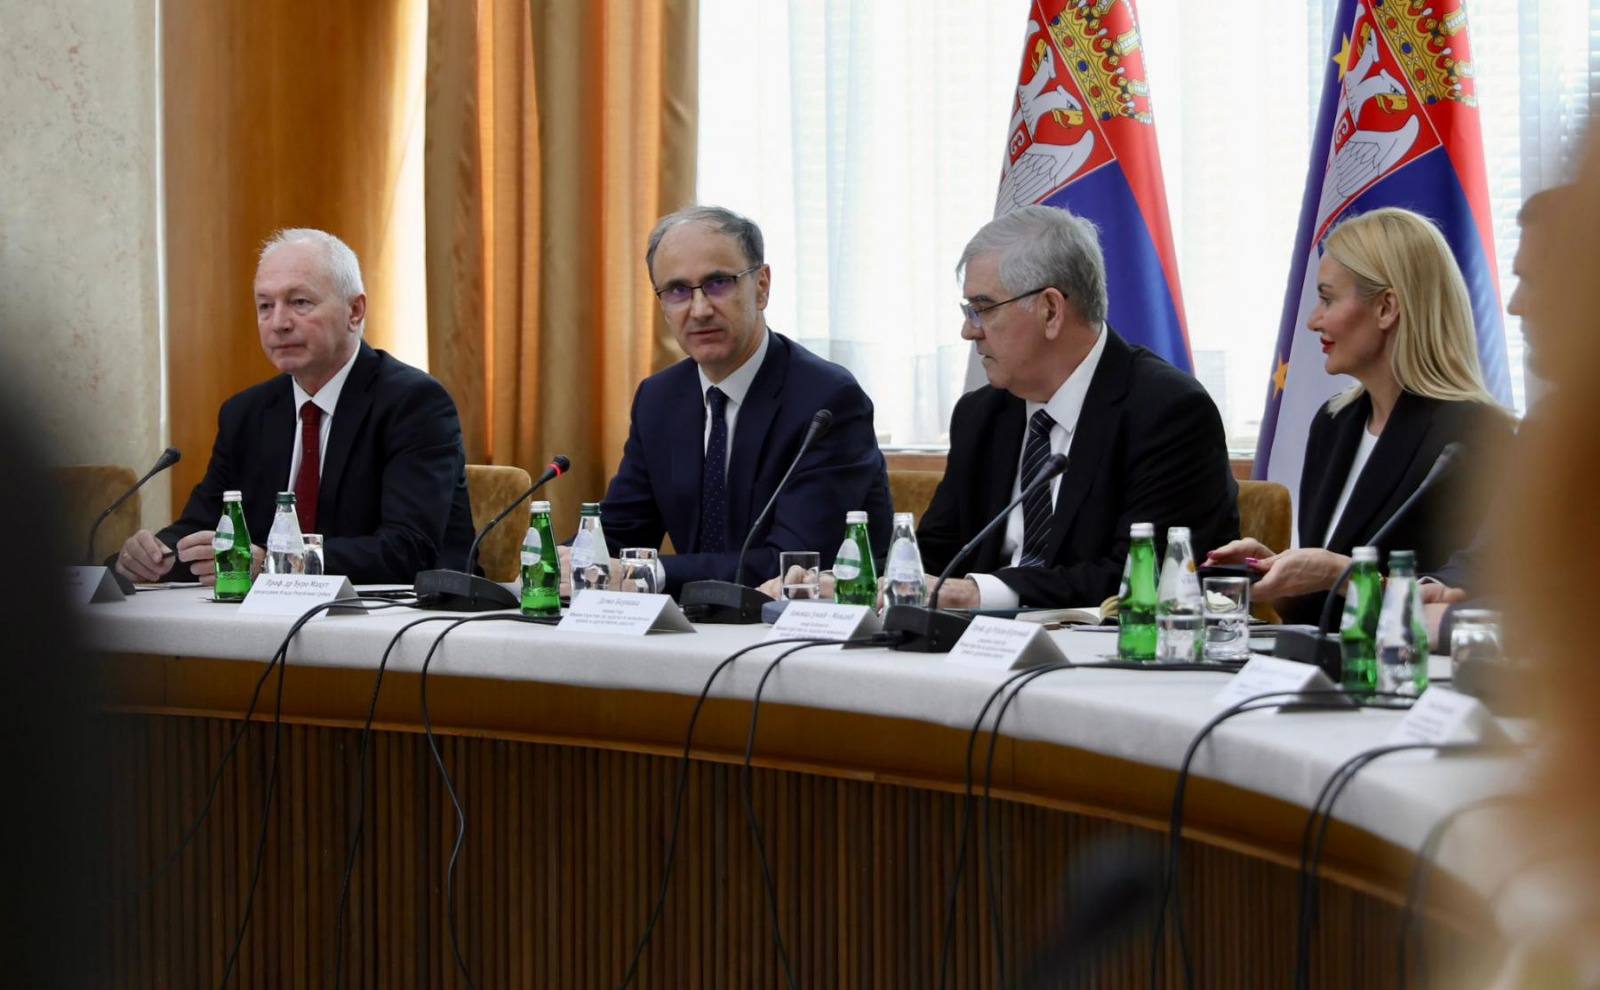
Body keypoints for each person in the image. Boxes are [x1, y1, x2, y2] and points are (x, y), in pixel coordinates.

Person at [912, 204, 1238, 608]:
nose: (968, 331)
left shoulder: (1168, 412)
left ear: (1051, 310)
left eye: (983, 309)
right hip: (976, 639)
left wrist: (982, 594)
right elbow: (936, 553)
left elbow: (1142, 577)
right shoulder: (981, 415)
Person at [114, 228, 476, 586]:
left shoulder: (414, 404)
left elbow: (408, 550)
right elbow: (205, 525)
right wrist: (156, 555)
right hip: (270, 617)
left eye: (300, 302)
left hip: (400, 615)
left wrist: (277, 564)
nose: (279, 323)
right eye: (265, 306)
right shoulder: (246, 414)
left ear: (354, 311)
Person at [584, 205, 893, 596]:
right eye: (678, 290)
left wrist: (645, 572)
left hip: (801, 622)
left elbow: (795, 562)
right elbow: (621, 531)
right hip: (697, 621)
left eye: (718, 283)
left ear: (761, 286)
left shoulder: (827, 400)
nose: (699, 310)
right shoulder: (659, 399)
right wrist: (570, 559)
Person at [1420, 188, 1567, 641]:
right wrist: (1443, 588)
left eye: (1535, 281)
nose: (1515, 304)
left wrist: (1454, 624)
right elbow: (1493, 554)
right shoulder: (1550, 422)